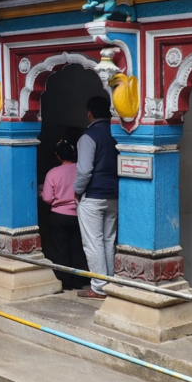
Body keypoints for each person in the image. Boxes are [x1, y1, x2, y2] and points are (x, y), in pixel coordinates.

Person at [74, 94, 119, 300]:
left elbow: (84, 171)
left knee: (93, 242)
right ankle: (109, 283)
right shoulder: (117, 132)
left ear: (89, 113)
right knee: (108, 241)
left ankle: (99, 287)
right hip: (114, 195)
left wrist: (76, 191)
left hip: (92, 196)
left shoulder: (88, 136)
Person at [41, 139, 89, 291]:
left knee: (61, 250)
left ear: (57, 156)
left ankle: (65, 282)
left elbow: (47, 198)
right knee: (78, 248)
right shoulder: (81, 170)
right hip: (79, 214)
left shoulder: (53, 173)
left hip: (58, 216)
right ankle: (78, 281)